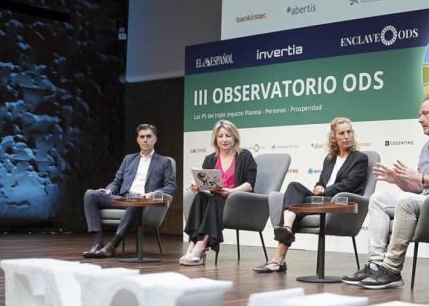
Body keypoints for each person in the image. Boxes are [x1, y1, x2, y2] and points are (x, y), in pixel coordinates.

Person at [343, 95, 429, 289]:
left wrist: (421, 177)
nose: (419, 119)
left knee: (407, 201)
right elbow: (420, 188)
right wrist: (398, 179)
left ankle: (391, 270)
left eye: (425, 113)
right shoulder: (427, 147)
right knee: (378, 199)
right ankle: (375, 265)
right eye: (419, 114)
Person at [254, 117, 368, 274]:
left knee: (297, 205)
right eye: (342, 133)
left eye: (349, 132)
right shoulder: (329, 159)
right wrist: (318, 187)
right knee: (294, 187)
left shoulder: (360, 158)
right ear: (334, 137)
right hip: (323, 200)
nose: (346, 136)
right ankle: (287, 226)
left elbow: (349, 184)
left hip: (342, 202)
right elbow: (321, 182)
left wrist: (323, 191)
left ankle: (278, 258)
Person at [82, 124, 176, 259]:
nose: (145, 140)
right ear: (137, 140)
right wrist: (109, 190)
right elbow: (117, 181)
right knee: (90, 194)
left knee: (136, 201)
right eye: (142, 137)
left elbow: (171, 186)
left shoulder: (164, 162)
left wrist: (150, 194)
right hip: (123, 198)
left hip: (143, 201)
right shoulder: (128, 159)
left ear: (155, 139)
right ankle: (97, 243)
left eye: (148, 136)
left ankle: (112, 246)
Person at [180, 119, 256, 265]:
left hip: (237, 202)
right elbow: (205, 185)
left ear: (235, 137)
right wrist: (198, 186)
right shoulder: (209, 159)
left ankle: (200, 246)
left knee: (216, 199)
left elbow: (250, 184)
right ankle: (194, 245)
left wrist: (231, 191)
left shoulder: (245, 156)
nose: (224, 139)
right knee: (201, 197)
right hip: (214, 199)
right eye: (220, 136)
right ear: (215, 138)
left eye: (228, 135)